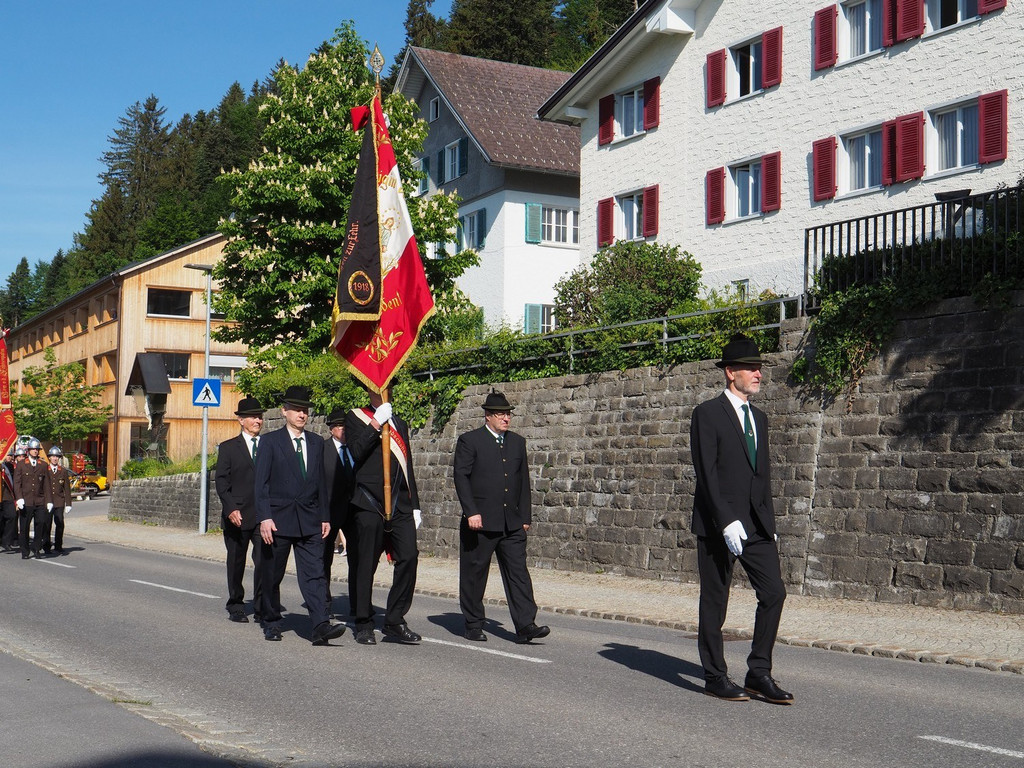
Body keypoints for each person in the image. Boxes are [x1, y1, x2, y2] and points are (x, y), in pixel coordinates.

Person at [689, 333, 792, 704]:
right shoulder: (707, 413)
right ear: (730, 372)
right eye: (751, 368)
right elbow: (706, 472)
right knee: (715, 600)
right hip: (719, 523)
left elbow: (762, 476)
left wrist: (770, 526)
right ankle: (715, 676)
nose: (758, 373)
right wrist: (725, 520)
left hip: (756, 523)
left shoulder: (759, 418)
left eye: (759, 367)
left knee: (774, 592)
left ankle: (758, 672)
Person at [453, 391, 550, 644]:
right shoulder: (470, 441)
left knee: (519, 574)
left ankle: (526, 624)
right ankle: (473, 623)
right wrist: (471, 511)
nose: (506, 418)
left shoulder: (517, 442)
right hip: (480, 522)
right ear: (488, 416)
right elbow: (461, 477)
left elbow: (523, 481)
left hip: (512, 522)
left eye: (508, 414)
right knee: (474, 574)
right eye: (500, 414)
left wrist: (525, 516)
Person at [254, 386, 346, 645]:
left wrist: (325, 517)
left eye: (304, 410)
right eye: (296, 409)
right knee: (273, 573)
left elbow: (322, 484)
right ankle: (271, 621)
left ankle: (320, 625)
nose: (301, 414)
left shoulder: (316, 443)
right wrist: (264, 517)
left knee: (315, 573)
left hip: (310, 520)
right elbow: (260, 484)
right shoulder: (270, 442)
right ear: (284, 411)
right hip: (278, 520)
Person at [344, 389, 422, 646]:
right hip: (369, 501)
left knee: (409, 557)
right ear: (370, 390)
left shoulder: (400, 423)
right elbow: (356, 452)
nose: (385, 391)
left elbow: (407, 466)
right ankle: (363, 622)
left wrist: (415, 505)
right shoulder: (356, 417)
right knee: (366, 563)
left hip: (400, 503)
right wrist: (376, 424)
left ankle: (395, 619)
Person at [214, 397, 266, 623]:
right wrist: (231, 508)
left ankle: (263, 606)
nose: (258, 420)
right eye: (253, 417)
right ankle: (236, 604)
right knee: (236, 561)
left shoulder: (268, 446)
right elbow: (221, 482)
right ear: (241, 420)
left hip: (263, 516)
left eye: (260, 417)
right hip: (237, 515)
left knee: (265, 561)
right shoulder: (228, 448)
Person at [321, 409, 354, 618]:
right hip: (329, 511)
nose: (344, 430)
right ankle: (324, 603)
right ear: (332, 429)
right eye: (340, 426)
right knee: (324, 559)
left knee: (358, 558)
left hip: (353, 511)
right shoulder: (322, 450)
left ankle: (358, 604)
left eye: (346, 426)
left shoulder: (355, 449)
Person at [14, 438, 49, 559]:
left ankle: (36, 548)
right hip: (26, 500)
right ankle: (25, 550)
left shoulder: (43, 465)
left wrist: (49, 501)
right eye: (33, 449)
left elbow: (46, 485)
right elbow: (17, 483)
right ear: (28, 450)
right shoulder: (21, 464)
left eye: (37, 449)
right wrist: (19, 498)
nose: (35, 451)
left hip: (39, 500)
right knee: (24, 527)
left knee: (40, 524)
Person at [43, 446, 73, 554]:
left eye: (57, 457)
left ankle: (58, 545)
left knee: (60, 523)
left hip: (59, 501)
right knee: (47, 524)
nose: (55, 458)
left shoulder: (63, 471)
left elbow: (67, 488)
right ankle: (46, 546)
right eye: (53, 456)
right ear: (49, 458)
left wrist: (68, 503)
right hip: (47, 501)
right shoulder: (45, 470)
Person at [0, 448, 17, 552]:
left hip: (7, 496)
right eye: (7, 455)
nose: (9, 457)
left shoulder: (10, 467)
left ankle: (6, 541)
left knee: (12, 516)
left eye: (10, 455)